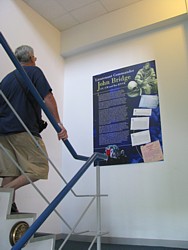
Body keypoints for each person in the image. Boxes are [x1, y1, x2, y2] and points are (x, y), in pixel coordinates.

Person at [0, 45, 68, 213]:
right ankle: (2, 193)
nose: (35, 59)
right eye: (35, 57)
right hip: (24, 129)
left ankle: (6, 209)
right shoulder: (34, 71)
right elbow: (48, 97)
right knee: (39, 168)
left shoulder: (6, 80)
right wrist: (58, 123)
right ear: (30, 57)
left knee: (11, 170)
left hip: (3, 133)